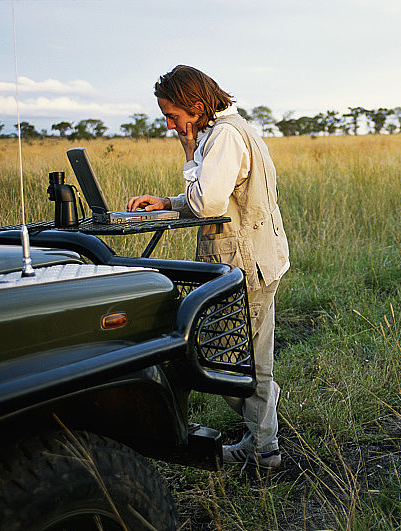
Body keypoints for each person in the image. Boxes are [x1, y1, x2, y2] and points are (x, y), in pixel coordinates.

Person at [127, 65, 290, 470]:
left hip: (244, 264)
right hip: (256, 259)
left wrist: (187, 154)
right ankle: (263, 444)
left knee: (217, 358)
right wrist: (167, 203)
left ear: (197, 107)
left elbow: (208, 204)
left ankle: (264, 439)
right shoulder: (228, 132)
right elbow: (218, 195)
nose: (169, 124)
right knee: (250, 359)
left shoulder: (224, 138)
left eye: (171, 115)